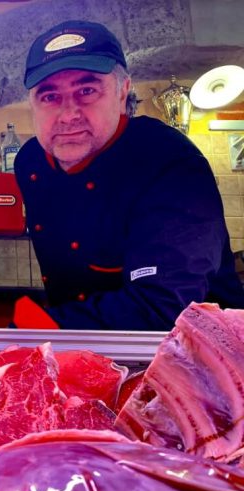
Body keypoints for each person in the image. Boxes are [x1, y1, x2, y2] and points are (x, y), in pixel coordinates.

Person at [12, 20, 244, 330]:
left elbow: (163, 306)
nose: (68, 115)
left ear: (122, 92)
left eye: (87, 90)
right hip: (87, 342)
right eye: (49, 96)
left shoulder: (168, 160)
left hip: (200, 346)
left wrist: (41, 327)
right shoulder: (30, 161)